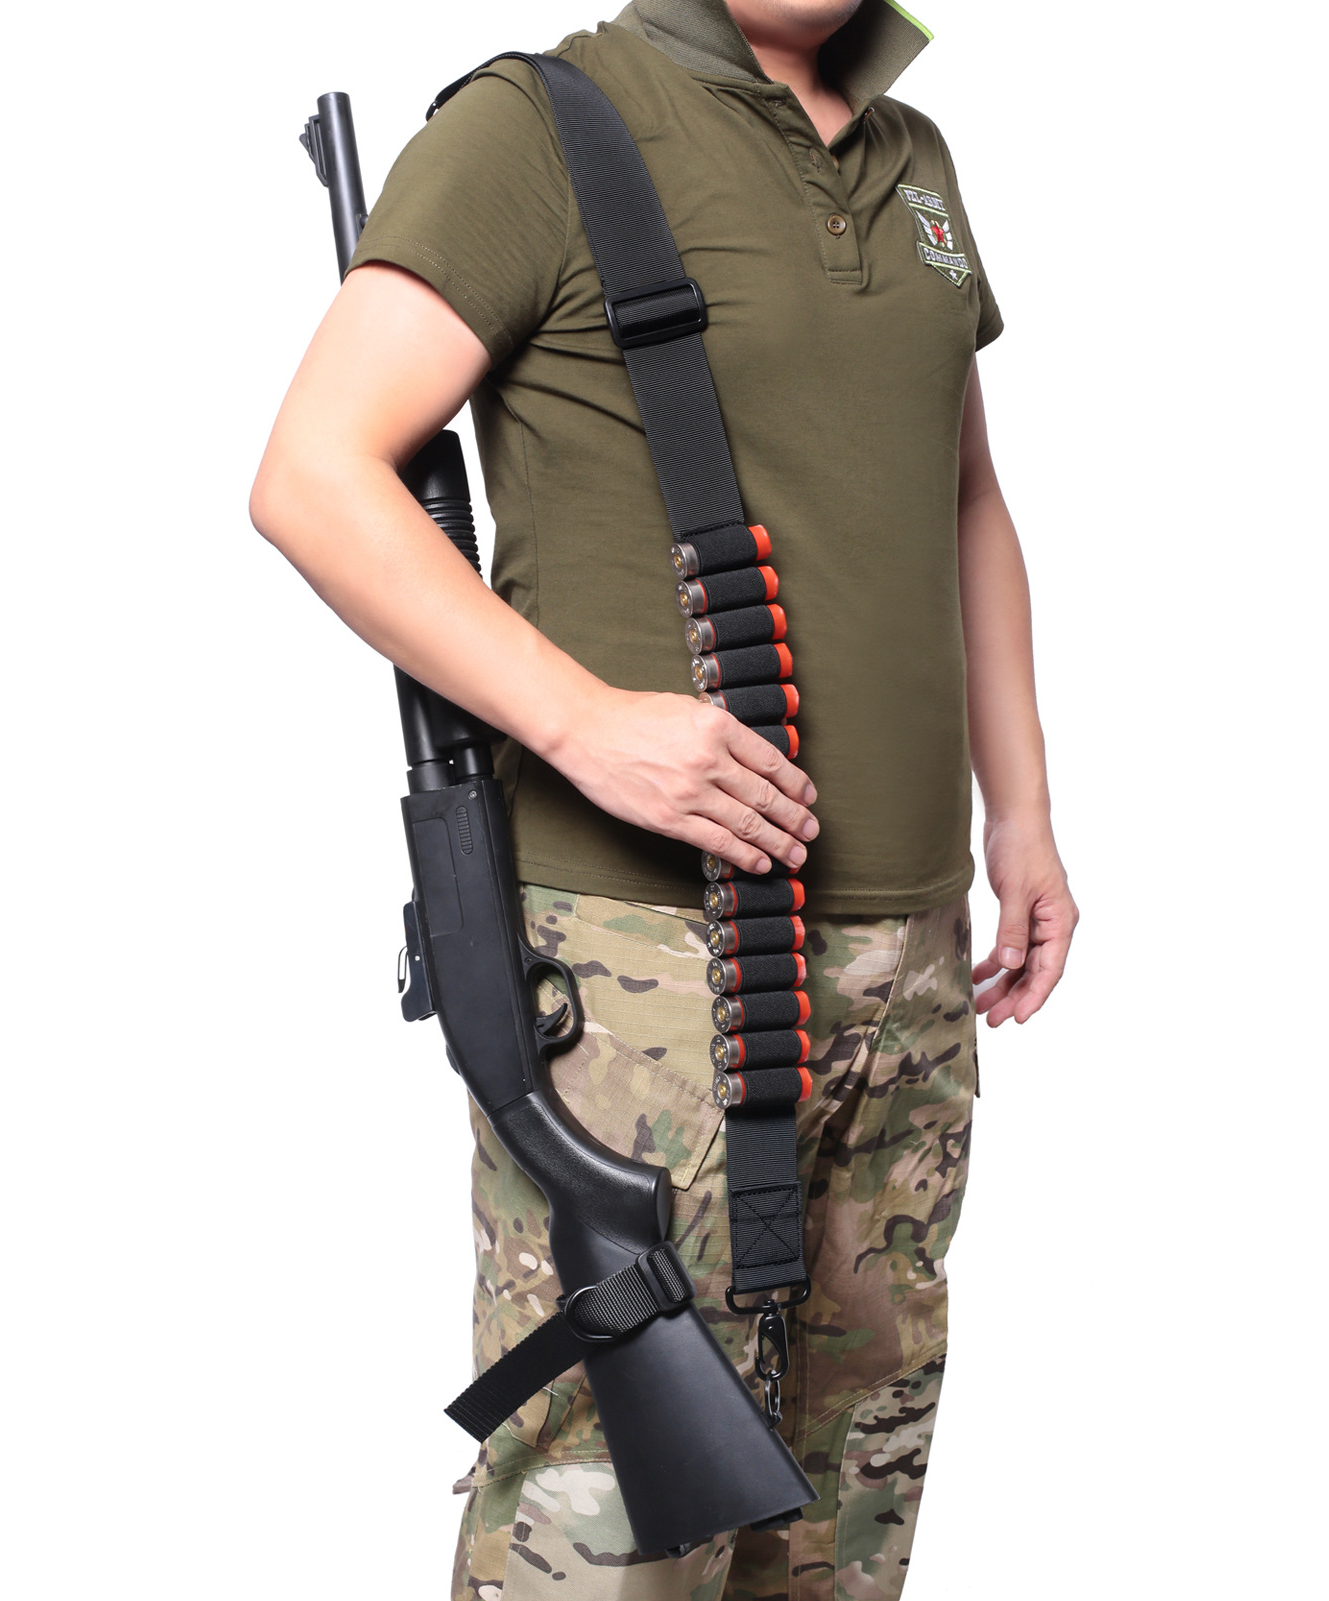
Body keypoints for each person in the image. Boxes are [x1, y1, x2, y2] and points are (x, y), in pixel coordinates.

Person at [251, 0, 1078, 1594]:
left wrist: (1020, 812)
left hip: (909, 953)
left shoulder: (914, 156)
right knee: (607, 1518)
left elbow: (965, 496)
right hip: (643, 960)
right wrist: (579, 722)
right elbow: (312, 474)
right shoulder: (536, 125)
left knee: (844, 1503)